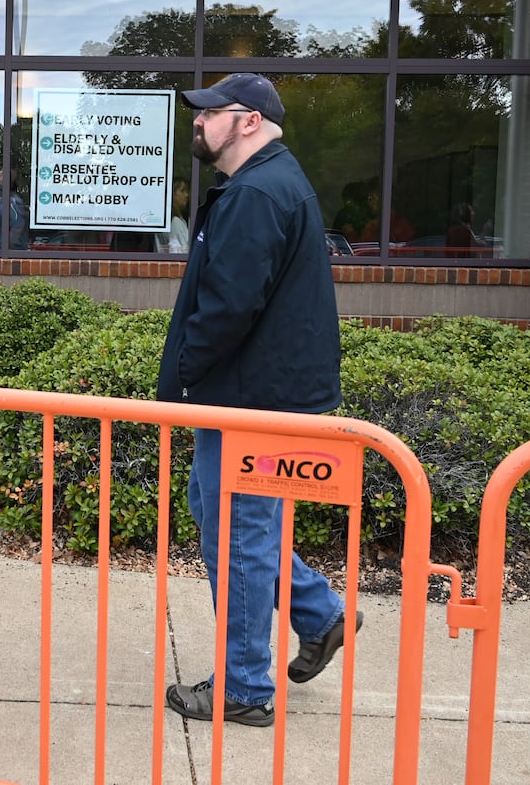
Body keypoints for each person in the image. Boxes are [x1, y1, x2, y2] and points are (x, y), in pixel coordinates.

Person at [158, 72, 360, 728]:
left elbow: (227, 307)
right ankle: (319, 614)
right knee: (218, 513)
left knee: (235, 535)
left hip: (250, 401)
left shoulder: (255, 193)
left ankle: (244, 687)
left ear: (245, 120)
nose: (197, 123)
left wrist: (184, 374)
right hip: (260, 395)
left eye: (207, 113)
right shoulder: (267, 184)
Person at [163, 176, 191, 253]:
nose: (186, 195)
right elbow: (180, 253)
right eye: (182, 191)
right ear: (172, 194)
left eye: (187, 191)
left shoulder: (179, 219)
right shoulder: (175, 222)